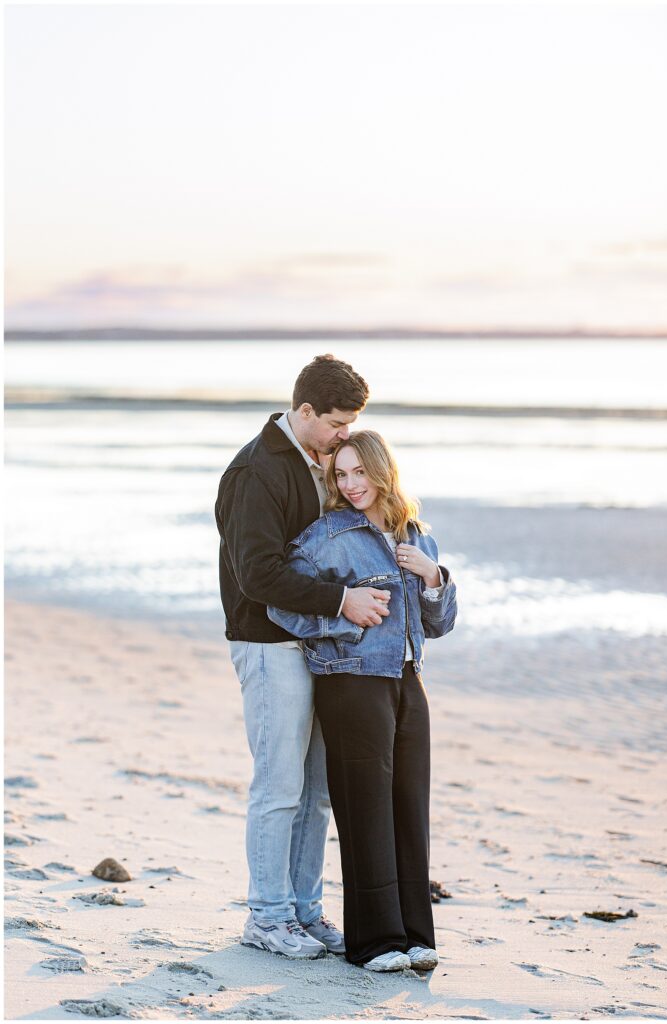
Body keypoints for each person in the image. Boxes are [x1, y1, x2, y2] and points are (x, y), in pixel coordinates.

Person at [215, 356, 394, 961]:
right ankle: (266, 917)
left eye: (353, 424)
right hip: (268, 645)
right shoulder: (257, 471)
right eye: (338, 423)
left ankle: (305, 911)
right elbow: (258, 574)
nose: (347, 435)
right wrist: (342, 600)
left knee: (316, 791)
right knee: (279, 787)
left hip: (319, 647)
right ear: (306, 411)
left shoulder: (321, 464)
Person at [267, 430, 457, 972]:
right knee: (364, 810)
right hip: (350, 682)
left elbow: (438, 625)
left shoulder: (418, 536)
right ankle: (374, 943)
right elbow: (284, 605)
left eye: (359, 473)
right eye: (340, 475)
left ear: (382, 473)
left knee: (408, 809)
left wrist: (435, 578)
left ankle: (416, 937)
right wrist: (340, 616)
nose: (350, 485)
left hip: (406, 680)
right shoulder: (327, 536)